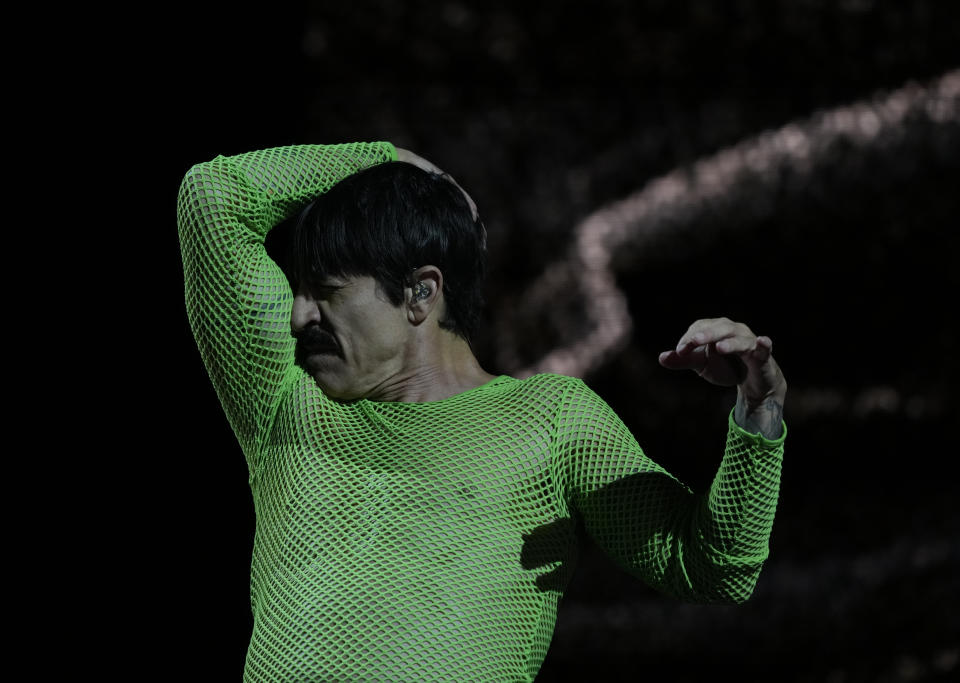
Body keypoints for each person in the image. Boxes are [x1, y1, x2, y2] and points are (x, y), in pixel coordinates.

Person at [177, 141, 787, 683]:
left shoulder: (551, 419)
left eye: (326, 292)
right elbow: (211, 196)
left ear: (421, 292)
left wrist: (758, 413)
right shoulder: (285, 399)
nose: (297, 316)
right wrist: (386, 157)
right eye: (297, 292)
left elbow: (712, 570)